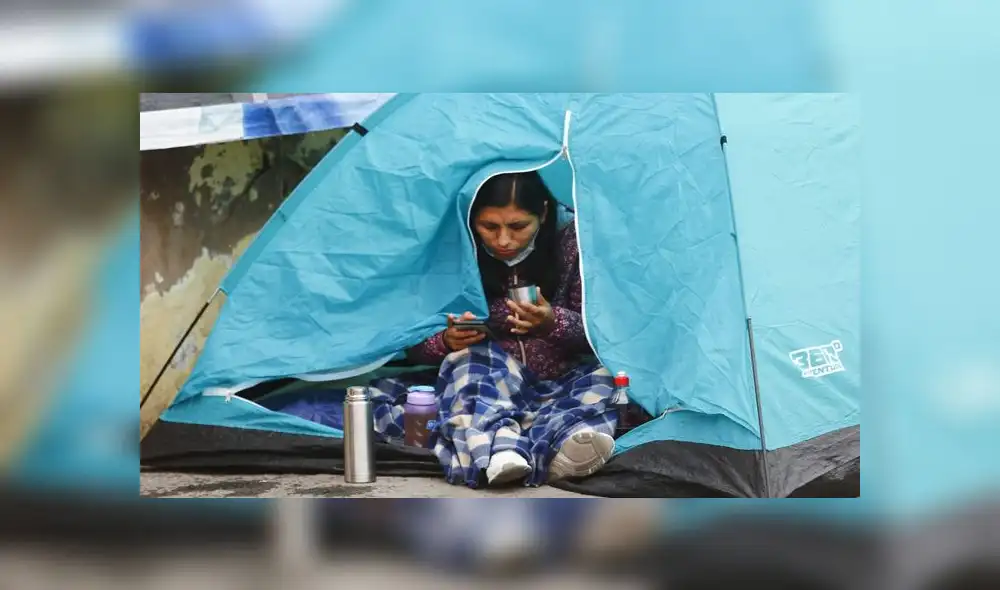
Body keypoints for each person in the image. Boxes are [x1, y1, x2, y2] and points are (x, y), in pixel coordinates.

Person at [405, 170, 618, 488]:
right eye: (489, 227)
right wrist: (447, 340)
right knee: (467, 364)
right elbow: (410, 342)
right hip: (489, 384)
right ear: (471, 219)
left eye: (518, 226)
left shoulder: (576, 245)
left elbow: (601, 335)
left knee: (611, 381)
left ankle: (553, 445)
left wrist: (551, 323)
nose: (503, 240)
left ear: (544, 214)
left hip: (562, 383)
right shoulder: (455, 250)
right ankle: (505, 450)